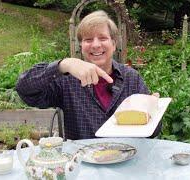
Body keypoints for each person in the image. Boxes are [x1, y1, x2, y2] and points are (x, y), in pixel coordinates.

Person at [16, 10, 161, 140]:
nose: (96, 45)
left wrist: (153, 110)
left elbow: (152, 132)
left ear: (114, 44)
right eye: (88, 39)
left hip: (125, 163)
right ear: (81, 45)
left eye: (102, 38)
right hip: (84, 165)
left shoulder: (132, 79)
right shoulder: (66, 81)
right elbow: (25, 90)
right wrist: (63, 65)